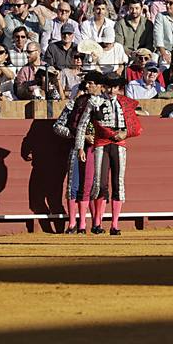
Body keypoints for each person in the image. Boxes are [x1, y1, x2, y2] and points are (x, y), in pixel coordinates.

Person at [76, 72, 142, 235]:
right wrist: (80, 147)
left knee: (118, 183)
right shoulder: (95, 101)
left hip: (119, 144)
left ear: (118, 87)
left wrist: (125, 133)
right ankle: (97, 223)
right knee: (100, 183)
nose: (112, 90)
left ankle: (114, 224)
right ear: (104, 87)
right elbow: (82, 125)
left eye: (115, 87)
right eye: (109, 87)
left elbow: (134, 126)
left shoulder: (124, 103)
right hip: (101, 143)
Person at [53, 69, 103, 234]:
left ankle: (96, 222)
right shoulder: (75, 103)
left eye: (90, 83)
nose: (87, 86)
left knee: (96, 186)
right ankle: (73, 223)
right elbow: (58, 127)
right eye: (85, 84)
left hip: (98, 149)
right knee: (74, 185)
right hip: (77, 148)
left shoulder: (105, 103)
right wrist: (77, 135)